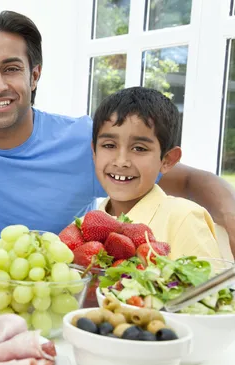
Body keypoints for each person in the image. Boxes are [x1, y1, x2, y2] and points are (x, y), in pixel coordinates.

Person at [0, 10, 235, 257]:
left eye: (12, 69)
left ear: (34, 76)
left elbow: (190, 181)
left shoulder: (85, 142)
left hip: (55, 296)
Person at [90, 87, 222, 259]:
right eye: (109, 145)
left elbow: (209, 285)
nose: (121, 161)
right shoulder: (93, 222)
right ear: (94, 152)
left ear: (167, 160)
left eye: (139, 148)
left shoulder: (183, 218)